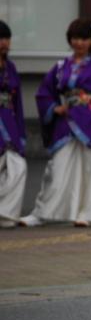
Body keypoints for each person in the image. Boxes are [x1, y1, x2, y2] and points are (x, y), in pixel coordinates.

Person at [19, 18, 91, 228]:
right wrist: (55, 108)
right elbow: (44, 92)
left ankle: (86, 213)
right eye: (75, 38)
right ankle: (42, 213)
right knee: (57, 167)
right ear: (70, 40)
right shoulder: (61, 66)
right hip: (67, 122)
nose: (79, 42)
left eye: (84, 38)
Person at [0, 20, 27, 228]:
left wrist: (20, 132)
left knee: (18, 167)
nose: (4, 43)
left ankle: (7, 214)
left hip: (9, 122)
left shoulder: (11, 67)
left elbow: (17, 103)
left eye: (6, 38)